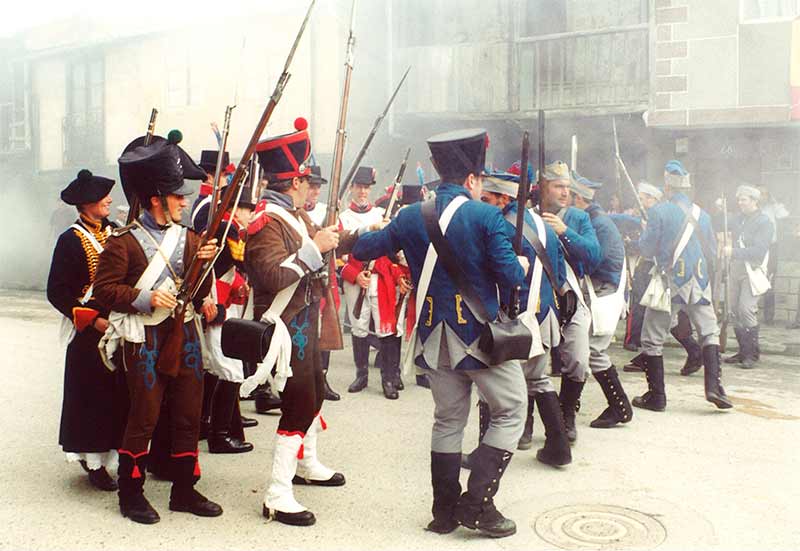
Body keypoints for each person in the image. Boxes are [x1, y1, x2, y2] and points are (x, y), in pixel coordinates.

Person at [352, 129, 529, 538]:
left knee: (448, 420)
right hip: (479, 335)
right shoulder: (485, 216)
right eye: (480, 180)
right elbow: (512, 276)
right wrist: (516, 262)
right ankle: (477, 503)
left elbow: (363, 250)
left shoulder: (411, 215)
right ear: (471, 179)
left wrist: (368, 231)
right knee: (513, 408)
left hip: (433, 334)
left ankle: (443, 513)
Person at [93, 133, 222, 524]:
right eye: (178, 196)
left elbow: (195, 290)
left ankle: (184, 489)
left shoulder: (192, 238)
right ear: (156, 199)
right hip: (144, 337)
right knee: (144, 415)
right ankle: (130, 493)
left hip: (182, 336)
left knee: (188, 413)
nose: (185, 201)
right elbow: (103, 291)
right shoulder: (124, 243)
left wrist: (209, 268)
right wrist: (145, 298)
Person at [242, 118, 358, 526]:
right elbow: (271, 277)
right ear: (293, 182)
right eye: (305, 181)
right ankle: (277, 492)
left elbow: (324, 241)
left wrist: (362, 235)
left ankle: (307, 463)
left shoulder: (291, 216)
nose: (309, 189)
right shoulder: (265, 222)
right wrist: (315, 247)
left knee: (312, 394)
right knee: (296, 401)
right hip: (284, 324)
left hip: (306, 320)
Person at [478, 171, 571, 467]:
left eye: (487, 199)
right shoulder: (543, 226)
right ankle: (559, 447)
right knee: (538, 380)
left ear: (504, 199)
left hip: (515, 318)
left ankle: (486, 451)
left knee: (493, 383)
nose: (484, 204)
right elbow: (558, 272)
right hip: (544, 316)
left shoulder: (497, 226)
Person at [47, 169, 128, 492]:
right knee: (92, 397)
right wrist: (93, 320)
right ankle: (93, 462)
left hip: (119, 325)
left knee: (119, 394)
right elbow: (57, 291)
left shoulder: (118, 232)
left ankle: (116, 456)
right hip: (89, 332)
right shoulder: (69, 240)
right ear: (85, 204)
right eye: (102, 197)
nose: (109, 200)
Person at [634, 160, 732, 412]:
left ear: (667, 187)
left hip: (669, 282)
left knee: (652, 338)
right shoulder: (704, 215)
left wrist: (644, 233)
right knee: (709, 332)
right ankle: (714, 387)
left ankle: (657, 397)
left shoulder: (658, 211)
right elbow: (711, 252)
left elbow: (646, 249)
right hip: (699, 281)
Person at [190, 152, 257, 453]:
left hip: (221, 301)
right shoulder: (227, 228)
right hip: (216, 305)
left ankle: (208, 425)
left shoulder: (227, 226)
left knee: (215, 368)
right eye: (246, 208)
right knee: (230, 369)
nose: (249, 214)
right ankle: (219, 436)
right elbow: (235, 264)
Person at [538, 161, 602, 442]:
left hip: (571, 299)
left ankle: (568, 414)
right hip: (538, 300)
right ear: (544, 188)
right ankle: (526, 422)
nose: (564, 192)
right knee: (533, 365)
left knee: (578, 359)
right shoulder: (529, 215)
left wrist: (565, 231)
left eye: (567, 187)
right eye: (558, 186)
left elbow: (594, 254)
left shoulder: (578, 218)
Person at [565, 175, 633, 431]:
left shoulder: (598, 223)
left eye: (571, 197)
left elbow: (594, 261)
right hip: (601, 290)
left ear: (579, 199)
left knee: (590, 351)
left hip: (603, 292)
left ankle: (619, 407)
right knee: (587, 351)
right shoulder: (598, 219)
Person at [617, 183, 703, 377]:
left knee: (660, 314)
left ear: (654, 199)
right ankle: (685, 352)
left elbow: (650, 245)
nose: (641, 201)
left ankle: (690, 351)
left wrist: (635, 243)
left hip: (659, 269)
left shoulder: (659, 215)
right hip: (652, 268)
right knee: (661, 316)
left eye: (644, 198)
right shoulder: (646, 215)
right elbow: (622, 219)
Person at [339, 166, 402, 397]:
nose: (363, 191)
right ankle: (361, 376)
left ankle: (387, 379)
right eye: (359, 187)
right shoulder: (343, 218)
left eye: (367, 188)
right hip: (356, 280)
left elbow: (391, 251)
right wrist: (355, 275)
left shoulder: (380, 215)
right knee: (359, 327)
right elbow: (338, 258)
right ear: (352, 189)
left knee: (385, 329)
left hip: (380, 278)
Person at [723, 185, 774, 369]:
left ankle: (752, 353)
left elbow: (759, 252)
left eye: (744, 199)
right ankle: (743, 351)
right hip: (736, 268)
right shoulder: (738, 219)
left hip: (751, 270)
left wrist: (734, 251)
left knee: (746, 309)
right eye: (739, 199)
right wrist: (721, 210)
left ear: (754, 201)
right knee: (734, 310)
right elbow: (722, 224)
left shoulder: (764, 222)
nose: (740, 203)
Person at [304, 165, 341, 401]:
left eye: (318, 187)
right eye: (312, 186)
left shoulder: (328, 212)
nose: (316, 191)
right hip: (306, 276)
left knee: (325, 328)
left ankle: (322, 378)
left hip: (326, 277)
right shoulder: (298, 214)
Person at [756, 184, 788, 325]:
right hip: (756, 249)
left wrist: (775, 203)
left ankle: (769, 317)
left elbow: (784, 214)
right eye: (759, 194)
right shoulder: (753, 210)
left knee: (769, 281)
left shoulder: (772, 208)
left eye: (764, 194)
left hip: (771, 248)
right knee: (754, 280)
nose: (762, 196)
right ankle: (750, 314)